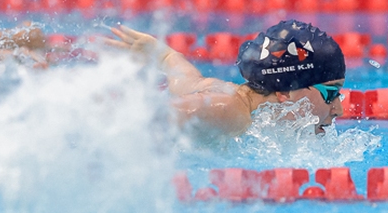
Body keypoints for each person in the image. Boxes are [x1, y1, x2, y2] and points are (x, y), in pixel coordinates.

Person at [105, 21, 346, 136]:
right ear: (286, 92)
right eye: (331, 94)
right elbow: (144, 122)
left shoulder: (230, 94)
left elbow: (190, 83)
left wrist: (167, 56)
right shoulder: (229, 111)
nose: (339, 110)